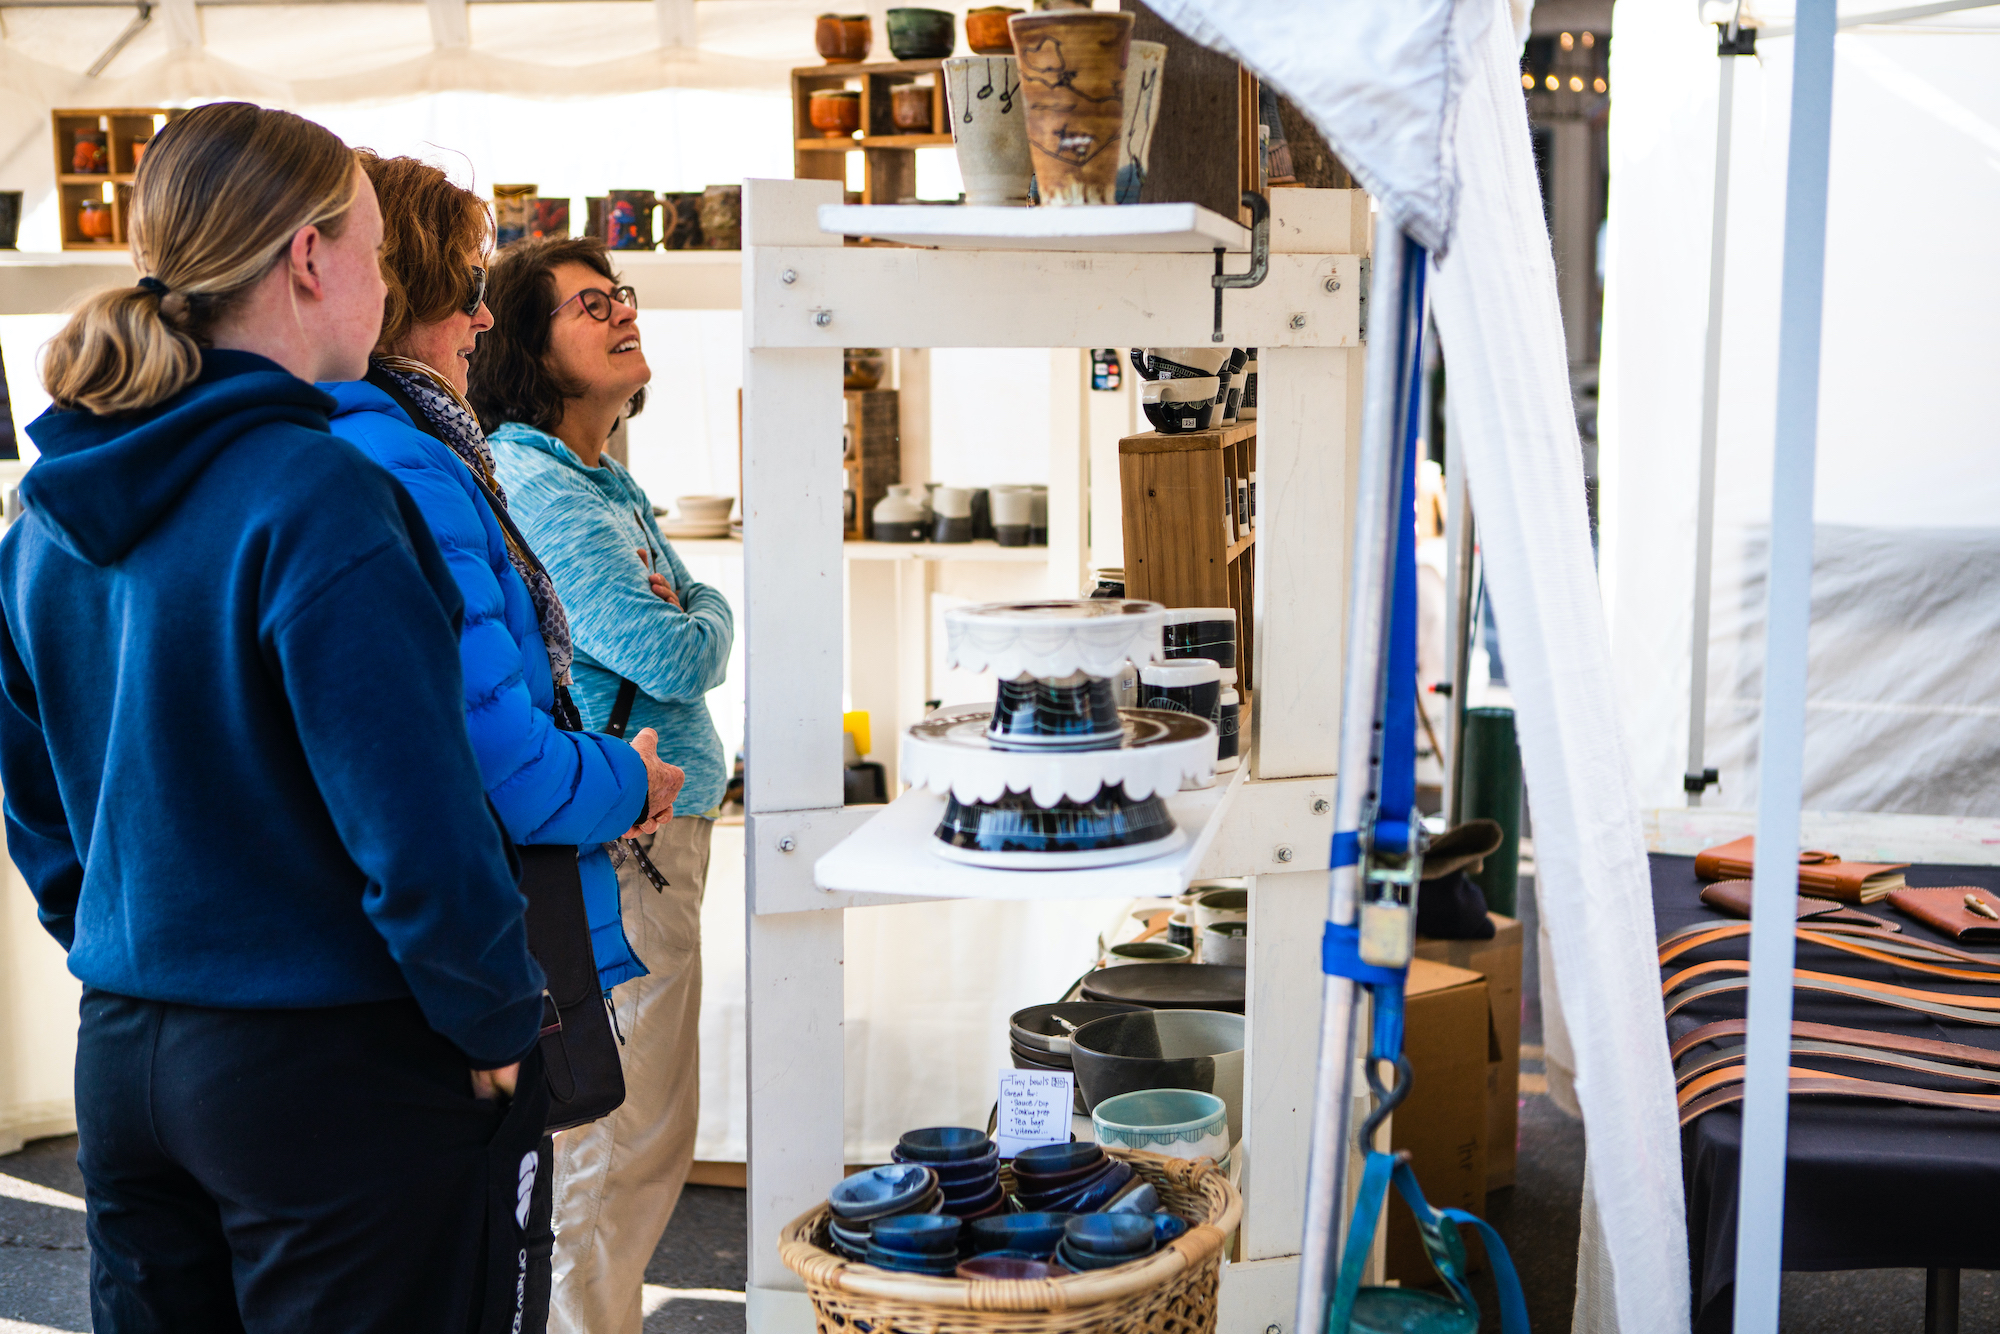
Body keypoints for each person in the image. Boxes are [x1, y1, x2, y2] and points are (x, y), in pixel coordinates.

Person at [0, 103, 546, 1330]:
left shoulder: (45, 513)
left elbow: (42, 818)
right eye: (378, 249)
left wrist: (145, 952)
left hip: (131, 1051)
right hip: (327, 1066)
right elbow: (414, 815)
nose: (386, 278)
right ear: (309, 257)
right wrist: (496, 1019)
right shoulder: (319, 494)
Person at [319, 154, 688, 1330]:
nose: (477, 313)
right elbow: (654, 660)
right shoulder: (428, 465)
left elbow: (696, 618)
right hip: (475, 934)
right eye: (463, 288)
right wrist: (626, 772)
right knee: (565, 1200)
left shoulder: (450, 459)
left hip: (436, 941)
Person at [467, 237, 734, 1334]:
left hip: (646, 835)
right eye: (588, 305)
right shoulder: (537, 476)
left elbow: (685, 612)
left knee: (636, 1147)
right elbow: (676, 649)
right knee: (612, 1151)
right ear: (533, 348)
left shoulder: (599, 476)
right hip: (624, 845)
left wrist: (695, 608)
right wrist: (706, 615)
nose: (622, 312)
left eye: (620, 294)